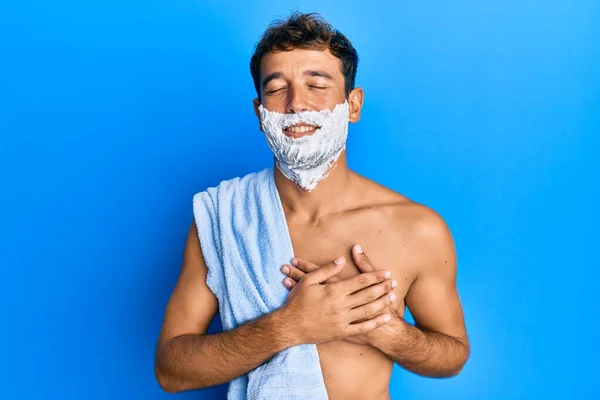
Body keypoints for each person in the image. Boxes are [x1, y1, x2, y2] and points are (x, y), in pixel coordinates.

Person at [154, 12, 469, 399]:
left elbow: (452, 354)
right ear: (260, 113)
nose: (296, 103)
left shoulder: (416, 229)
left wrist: (388, 331)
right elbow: (171, 370)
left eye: (317, 84)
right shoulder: (223, 219)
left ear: (352, 105)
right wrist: (291, 325)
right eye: (276, 88)